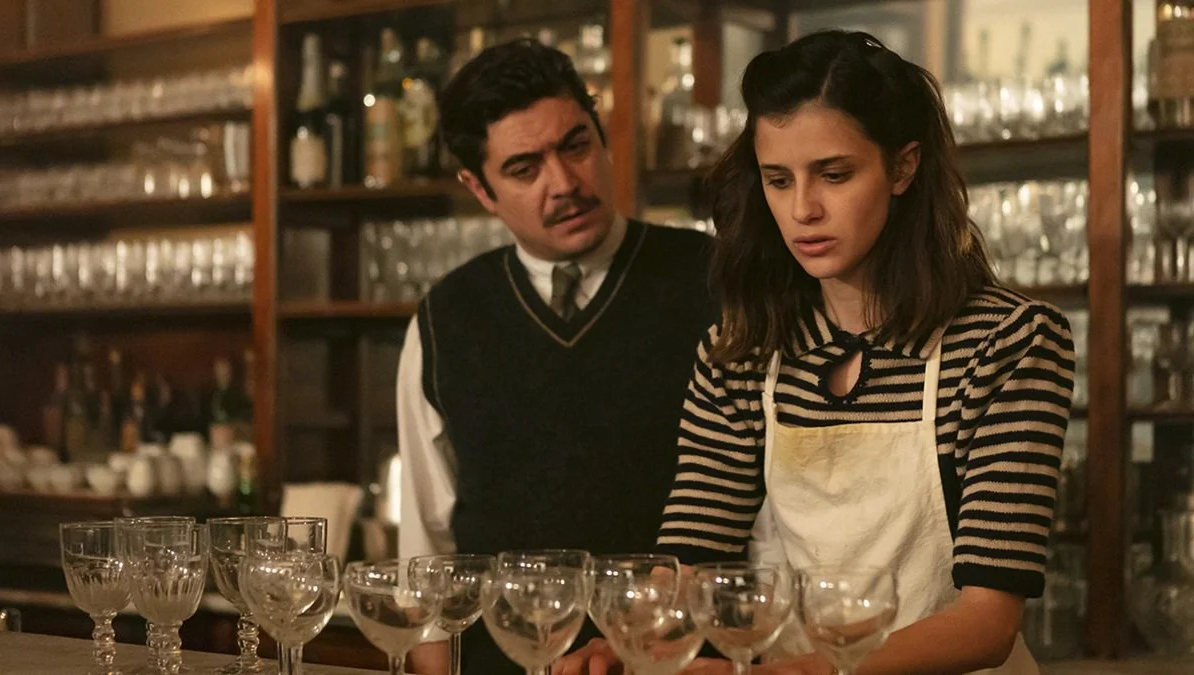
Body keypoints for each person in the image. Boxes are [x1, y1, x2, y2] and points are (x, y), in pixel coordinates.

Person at [560, 30, 1074, 675]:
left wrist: (816, 671)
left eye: (834, 174)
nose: (803, 209)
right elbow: (692, 563)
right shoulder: (742, 353)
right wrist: (629, 642)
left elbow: (987, 623)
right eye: (778, 180)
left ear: (903, 167)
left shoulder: (1006, 343)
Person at [397, 38, 718, 675]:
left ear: (603, 136)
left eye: (576, 146)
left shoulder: (713, 279)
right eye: (525, 169)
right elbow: (426, 548)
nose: (565, 183)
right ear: (480, 188)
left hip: (680, 665)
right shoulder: (446, 316)